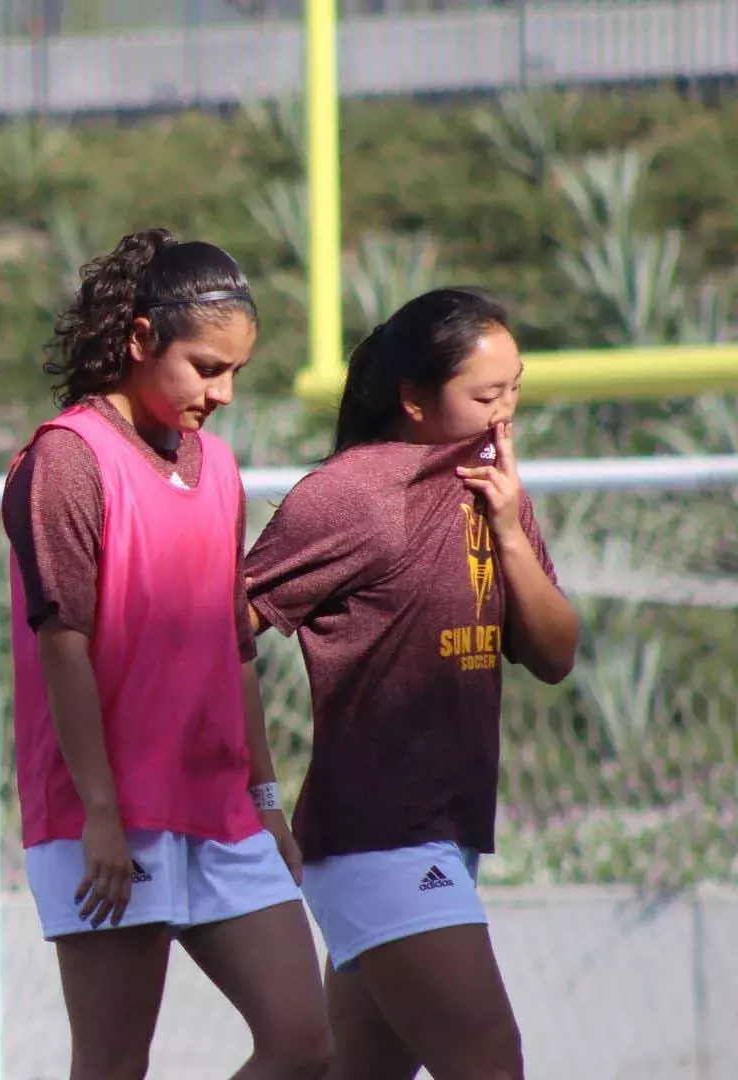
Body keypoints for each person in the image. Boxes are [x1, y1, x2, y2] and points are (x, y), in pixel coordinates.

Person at [2, 228, 332, 1080]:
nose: (223, 393)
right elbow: (62, 651)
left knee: (305, 1043)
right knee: (113, 1065)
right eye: (205, 367)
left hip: (221, 809)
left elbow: (235, 654)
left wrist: (265, 797)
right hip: (106, 816)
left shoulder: (217, 469)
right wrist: (100, 814)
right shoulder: (65, 460)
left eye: (236, 373)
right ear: (140, 338)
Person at [245, 287, 579, 1080]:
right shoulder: (355, 495)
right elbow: (223, 629)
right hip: (382, 839)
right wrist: (256, 795)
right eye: (487, 395)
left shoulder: (491, 486)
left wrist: (509, 526)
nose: (507, 412)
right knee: (492, 1065)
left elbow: (556, 654)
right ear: (415, 401)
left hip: (445, 834)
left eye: (516, 389)